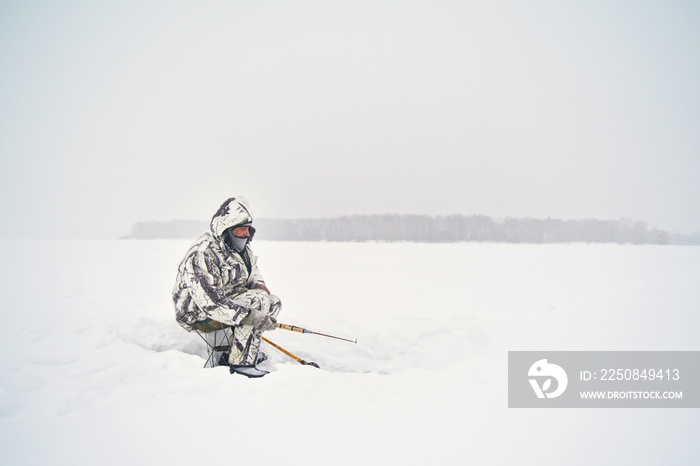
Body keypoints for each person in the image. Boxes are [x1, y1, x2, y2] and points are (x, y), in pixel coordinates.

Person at [172, 196, 281, 378]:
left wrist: (258, 284)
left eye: (248, 229)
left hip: (226, 298)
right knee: (257, 303)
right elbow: (210, 303)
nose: (246, 234)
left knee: (273, 303)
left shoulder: (241, 248)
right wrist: (249, 315)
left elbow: (253, 271)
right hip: (196, 312)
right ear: (226, 230)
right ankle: (241, 364)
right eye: (241, 229)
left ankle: (238, 351)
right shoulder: (203, 253)